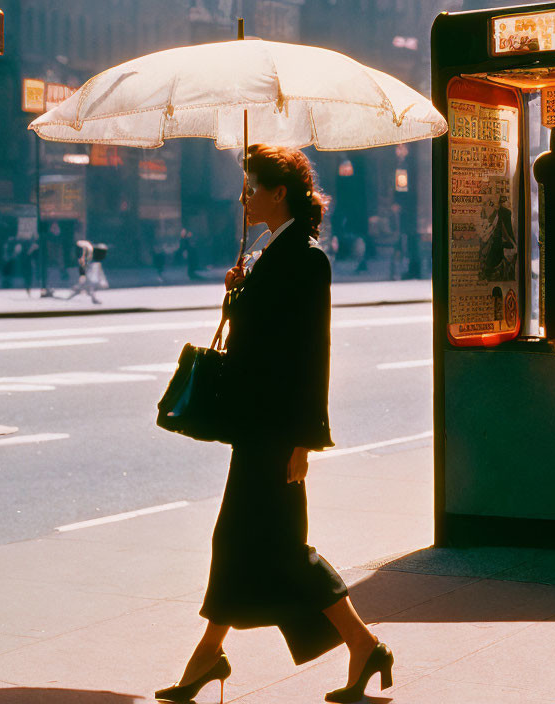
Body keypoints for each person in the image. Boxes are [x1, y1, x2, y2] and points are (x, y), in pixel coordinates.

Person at [155, 144, 393, 704]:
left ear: (278, 192)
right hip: (257, 427)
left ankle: (358, 644)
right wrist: (239, 291)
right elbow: (260, 339)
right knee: (242, 540)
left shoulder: (306, 260)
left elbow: (313, 354)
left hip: (277, 430)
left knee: (276, 548)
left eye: (251, 186)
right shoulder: (271, 254)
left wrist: (304, 440)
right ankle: (213, 655)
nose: (243, 196)